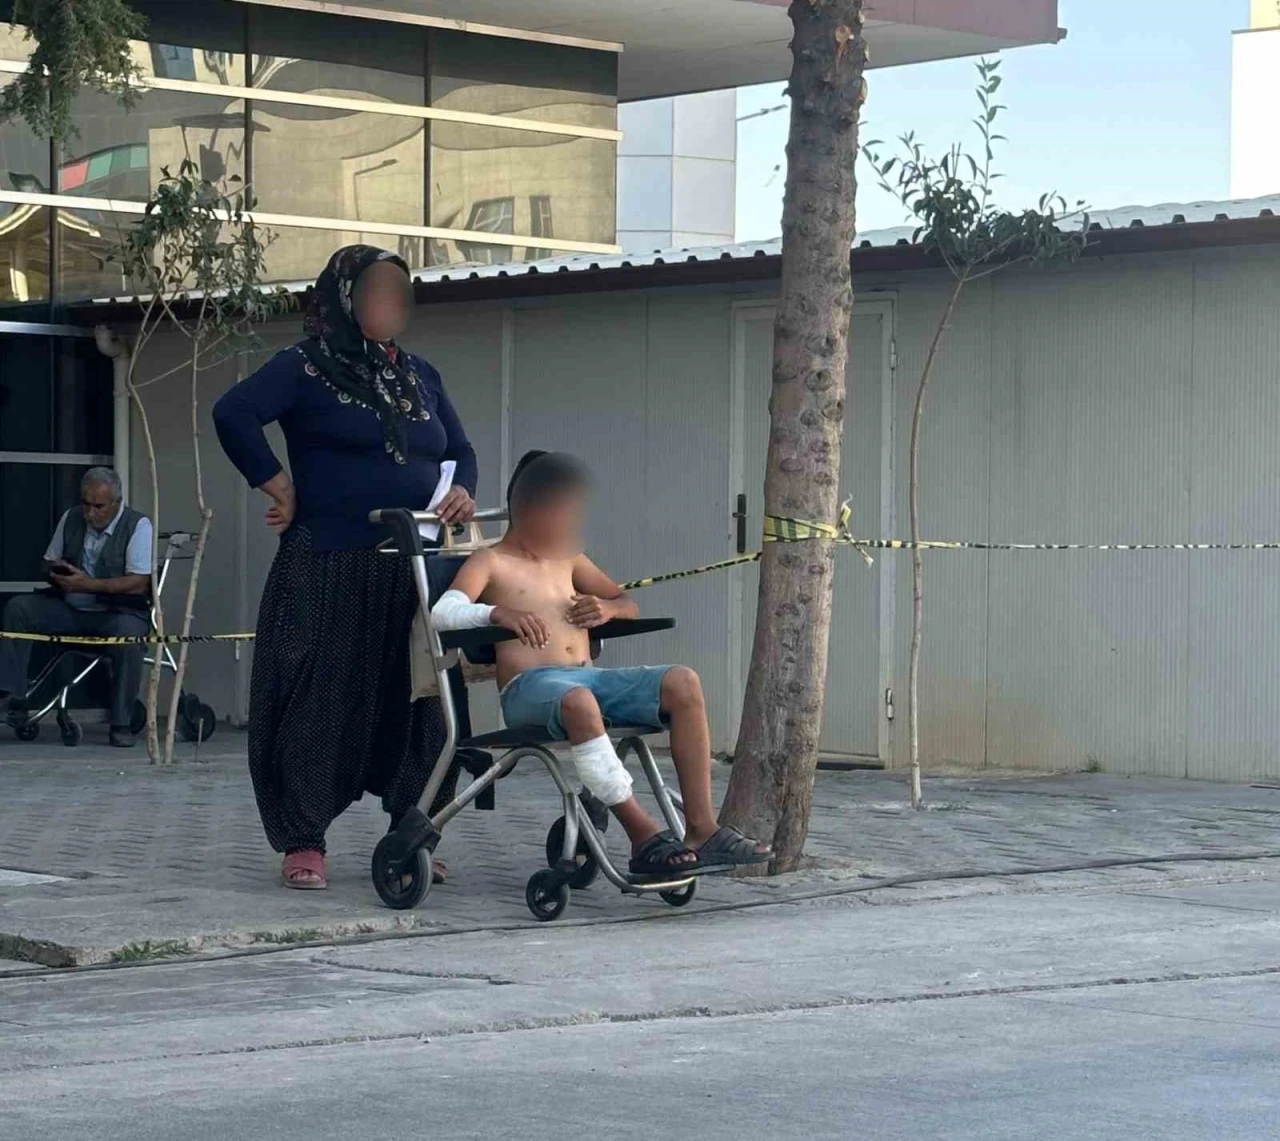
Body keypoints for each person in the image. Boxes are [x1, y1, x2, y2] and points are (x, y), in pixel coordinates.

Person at [213, 245, 478, 891]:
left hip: (412, 566)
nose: (389, 303)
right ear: (343, 297)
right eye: (375, 290)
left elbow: (460, 449)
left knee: (423, 703)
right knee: (319, 698)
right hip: (328, 562)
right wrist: (277, 483)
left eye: (397, 292)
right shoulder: (303, 366)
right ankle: (304, 840)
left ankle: (412, 832)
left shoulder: (421, 375)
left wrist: (462, 491)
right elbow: (233, 414)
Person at [432, 450, 772, 877]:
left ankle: (702, 830)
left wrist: (606, 609)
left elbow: (626, 603)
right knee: (579, 700)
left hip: (586, 680)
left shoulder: (569, 558)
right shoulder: (490, 561)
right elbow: (443, 613)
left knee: (683, 681)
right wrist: (496, 613)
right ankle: (643, 836)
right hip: (530, 689)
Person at [0, 467, 152, 748]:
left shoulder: (137, 525)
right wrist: (57, 571)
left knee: (130, 635)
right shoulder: (72, 518)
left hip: (115, 615)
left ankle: (121, 722)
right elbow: (47, 561)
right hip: (69, 611)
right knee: (19, 608)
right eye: (86, 504)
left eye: (99, 506)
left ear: (116, 503)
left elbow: (138, 583)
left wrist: (88, 585)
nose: (90, 513)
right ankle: (13, 698)